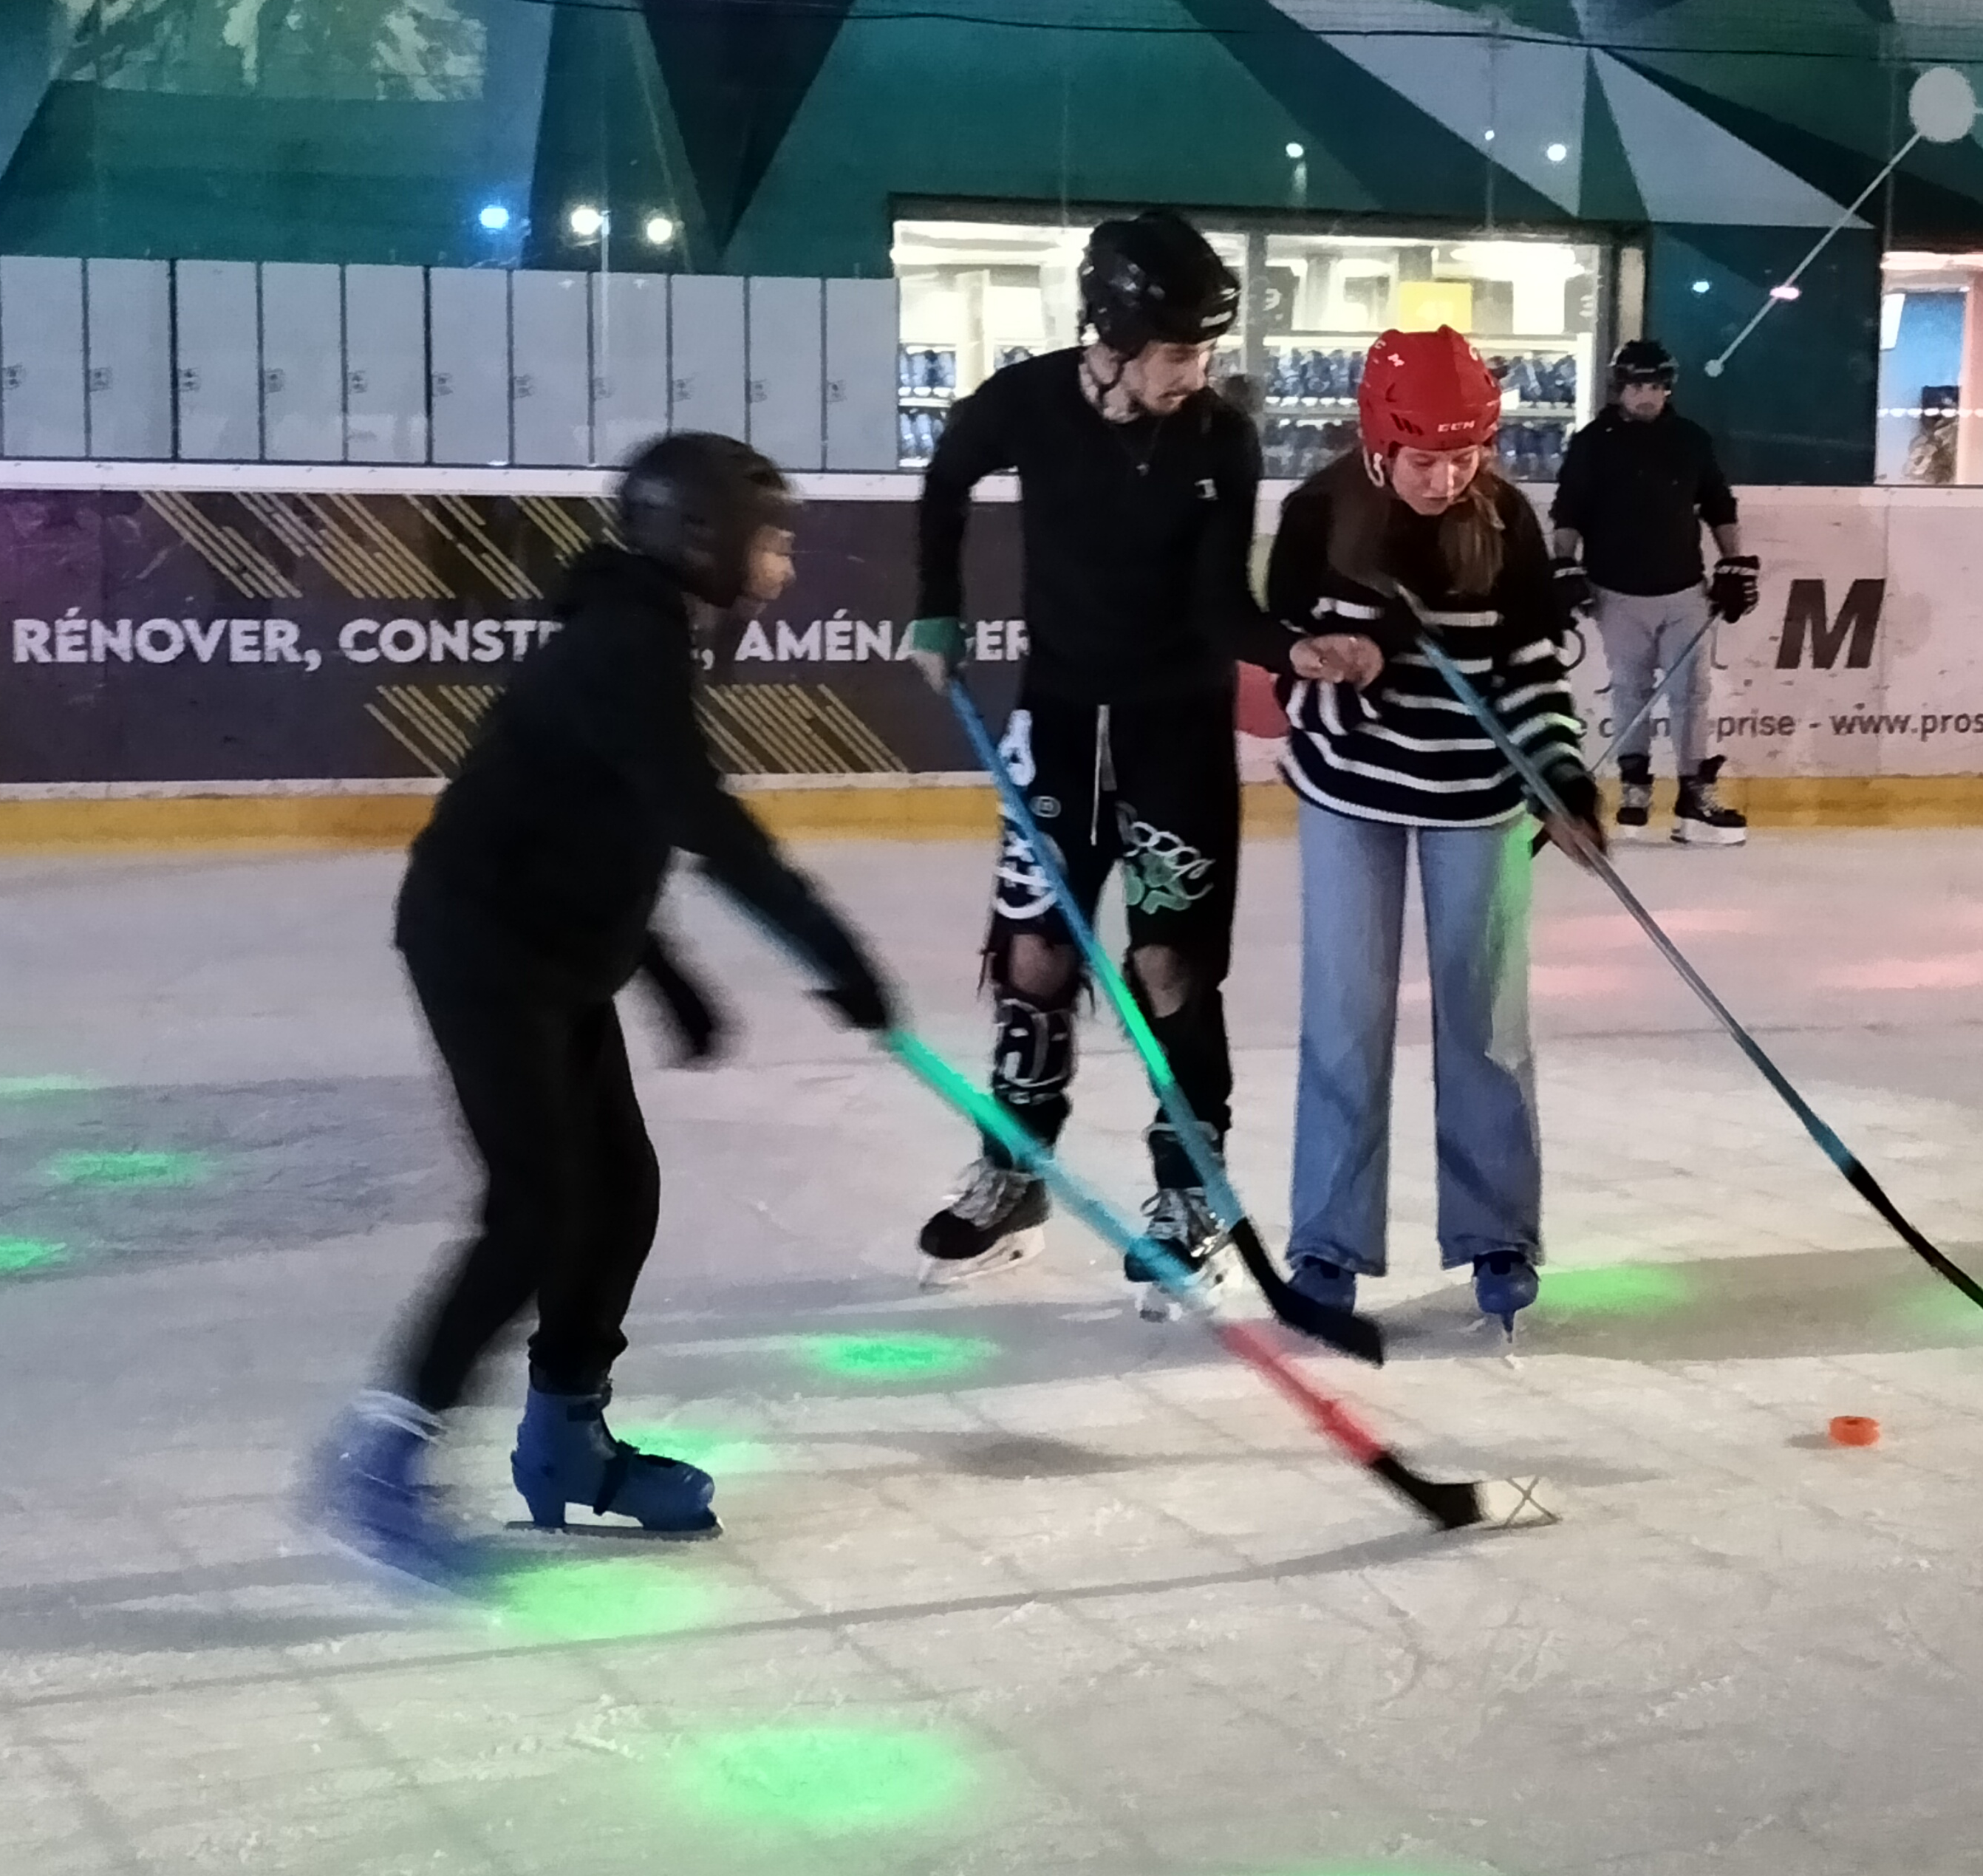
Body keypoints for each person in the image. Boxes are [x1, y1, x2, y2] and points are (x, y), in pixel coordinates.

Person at [309, 433, 899, 1582]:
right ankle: (379, 1458)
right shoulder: (628, 639)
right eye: (770, 542)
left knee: (619, 1193)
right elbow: (704, 820)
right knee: (533, 1211)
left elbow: (614, 813)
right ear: (706, 538)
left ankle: (564, 1444)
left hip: (563, 948)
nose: (782, 570)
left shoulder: (665, 631)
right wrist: (833, 952)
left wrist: (668, 973)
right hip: (486, 944)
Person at [907, 210, 1381, 1292]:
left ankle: (1190, 1187)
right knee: (1034, 953)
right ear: (1111, 339)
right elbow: (947, 476)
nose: (1195, 373)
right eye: (1177, 352)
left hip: (1174, 725)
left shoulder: (1219, 436)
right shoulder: (1027, 402)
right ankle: (1014, 1174)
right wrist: (938, 610)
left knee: (1168, 962)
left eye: (1207, 352)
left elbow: (1222, 606)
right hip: (1059, 719)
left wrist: (1295, 649)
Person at [1265, 327, 1602, 1333]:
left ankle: (1497, 1232)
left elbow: (1534, 666)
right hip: (1351, 792)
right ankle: (1328, 1243)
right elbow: (1290, 650)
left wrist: (1563, 777)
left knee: (1486, 1026)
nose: (1447, 476)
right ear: (1380, 442)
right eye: (1427, 458)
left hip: (1478, 799)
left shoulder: (1504, 521)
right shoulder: (1319, 512)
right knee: (1346, 1021)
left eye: (1466, 455)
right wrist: (1356, 655)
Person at [1549, 337, 1760, 843]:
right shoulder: (1592, 441)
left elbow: (1718, 505)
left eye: (1655, 386)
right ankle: (1635, 790)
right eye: (1636, 386)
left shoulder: (1691, 440)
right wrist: (1563, 564)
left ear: (1668, 388)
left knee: (1692, 693)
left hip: (1684, 588)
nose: (1646, 395)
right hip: (1615, 591)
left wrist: (1735, 563)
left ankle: (1692, 796)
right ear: (1620, 387)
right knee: (1630, 689)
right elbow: (1569, 509)